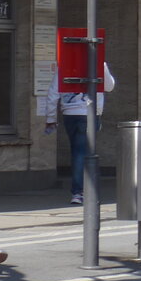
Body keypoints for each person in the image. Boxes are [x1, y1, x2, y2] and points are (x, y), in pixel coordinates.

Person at [40, 60, 116, 205]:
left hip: (70, 114)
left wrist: (50, 117)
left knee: (77, 151)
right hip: (90, 113)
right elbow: (109, 86)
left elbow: (53, 93)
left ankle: (78, 192)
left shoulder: (66, 64)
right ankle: (81, 190)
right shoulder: (99, 62)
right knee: (86, 152)